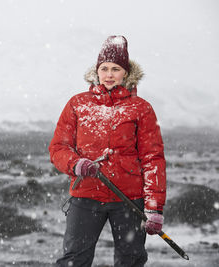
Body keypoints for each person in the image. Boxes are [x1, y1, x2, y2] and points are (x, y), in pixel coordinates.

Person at [49, 35, 166, 267]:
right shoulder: (78, 104)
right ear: (97, 71)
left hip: (129, 199)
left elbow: (153, 159)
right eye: (104, 68)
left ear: (126, 73)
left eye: (116, 68)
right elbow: (58, 147)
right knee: (74, 259)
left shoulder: (141, 109)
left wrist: (154, 207)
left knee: (130, 260)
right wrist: (76, 164)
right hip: (86, 195)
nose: (109, 74)